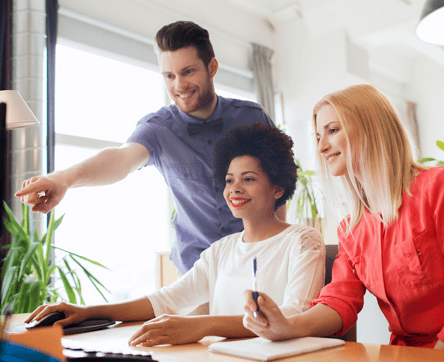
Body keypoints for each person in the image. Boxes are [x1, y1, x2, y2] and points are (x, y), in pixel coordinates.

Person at [242, 84, 444, 353]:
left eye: (333, 130)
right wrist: (287, 325)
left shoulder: (443, 186)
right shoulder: (351, 229)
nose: (322, 147)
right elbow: (340, 301)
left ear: (371, 127)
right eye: (318, 137)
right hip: (403, 354)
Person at [15, 21, 283, 275]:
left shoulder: (253, 117)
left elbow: (279, 182)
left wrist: (279, 240)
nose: (179, 85)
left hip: (257, 260)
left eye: (188, 71)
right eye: (169, 75)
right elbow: (120, 159)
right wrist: (64, 179)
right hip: (197, 271)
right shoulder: (158, 128)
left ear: (211, 67)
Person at [24, 123, 325, 347]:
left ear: (278, 187)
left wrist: (201, 326)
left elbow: (291, 317)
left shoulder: (303, 241)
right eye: (230, 179)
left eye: (249, 179)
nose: (235, 188)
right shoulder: (221, 250)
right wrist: (87, 311)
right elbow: (167, 300)